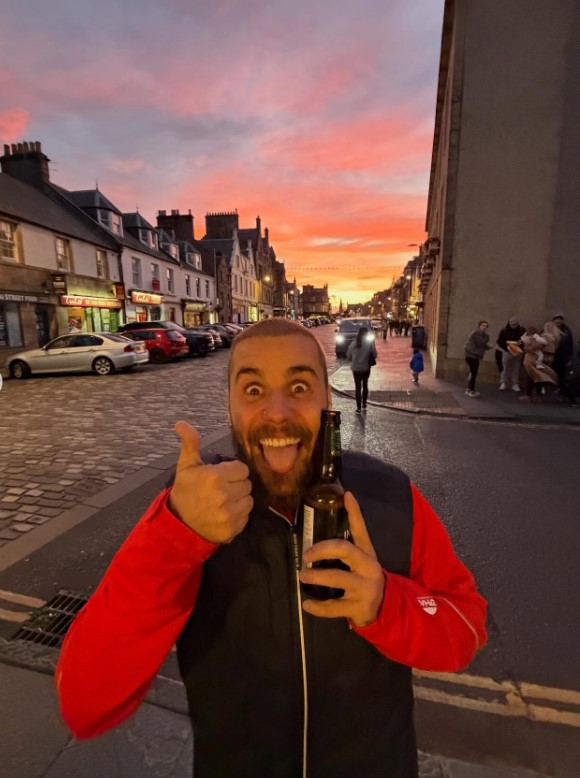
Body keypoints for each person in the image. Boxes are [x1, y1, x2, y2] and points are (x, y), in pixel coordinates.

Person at [55, 319, 487, 778]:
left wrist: (386, 603)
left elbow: (465, 629)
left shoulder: (392, 494)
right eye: (254, 391)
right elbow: (85, 704)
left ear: (328, 400)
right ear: (230, 407)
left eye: (299, 386)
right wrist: (175, 535)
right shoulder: (188, 510)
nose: (277, 412)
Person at [519, 326, 558, 402]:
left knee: (534, 377)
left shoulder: (544, 338)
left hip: (535, 359)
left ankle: (531, 395)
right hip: (537, 360)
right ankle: (536, 395)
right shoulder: (547, 338)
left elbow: (533, 347)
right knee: (538, 377)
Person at [346, 325, 377, 414]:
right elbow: (374, 355)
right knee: (365, 385)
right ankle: (364, 404)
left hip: (355, 368)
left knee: (358, 387)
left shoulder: (354, 343)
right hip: (366, 368)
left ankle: (358, 408)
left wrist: (354, 358)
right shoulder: (369, 343)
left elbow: (348, 355)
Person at [496, 317, 525, 391]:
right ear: (509, 324)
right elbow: (500, 341)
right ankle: (504, 382)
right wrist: (507, 345)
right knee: (505, 368)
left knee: (516, 368)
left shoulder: (522, 330)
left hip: (517, 351)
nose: (514, 326)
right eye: (512, 325)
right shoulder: (504, 330)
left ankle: (515, 383)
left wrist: (520, 347)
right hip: (507, 351)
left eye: (515, 325)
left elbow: (525, 341)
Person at [464, 320, 492, 397]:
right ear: (479, 326)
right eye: (483, 326)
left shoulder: (483, 335)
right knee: (473, 373)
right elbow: (481, 343)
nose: (484, 327)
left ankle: (469, 389)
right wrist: (487, 339)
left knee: (473, 373)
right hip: (471, 356)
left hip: (475, 356)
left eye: (486, 326)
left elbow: (482, 346)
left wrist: (489, 347)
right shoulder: (476, 334)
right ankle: (471, 391)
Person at [552, 314, 574, 387]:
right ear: (553, 321)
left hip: (563, 356)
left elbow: (570, 343)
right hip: (552, 355)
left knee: (562, 373)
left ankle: (560, 389)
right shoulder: (549, 329)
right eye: (557, 319)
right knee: (551, 372)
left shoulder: (566, 330)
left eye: (560, 319)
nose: (558, 321)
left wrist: (569, 356)